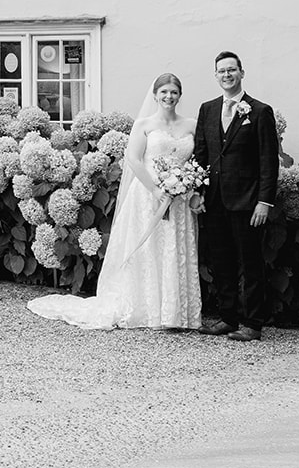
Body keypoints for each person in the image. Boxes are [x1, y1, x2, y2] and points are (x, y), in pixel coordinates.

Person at [28, 72, 201, 330]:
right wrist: (155, 190)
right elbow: (134, 159)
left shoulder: (191, 125)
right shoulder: (144, 124)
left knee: (174, 247)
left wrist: (188, 185)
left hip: (179, 197)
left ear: (180, 95)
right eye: (164, 92)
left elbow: (196, 160)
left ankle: (175, 312)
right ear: (155, 95)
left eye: (174, 92)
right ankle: (149, 309)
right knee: (149, 249)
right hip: (148, 194)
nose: (169, 96)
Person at [192, 51, 280, 342]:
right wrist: (199, 192)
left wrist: (264, 202)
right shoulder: (207, 109)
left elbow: (269, 160)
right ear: (215, 76)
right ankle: (227, 318)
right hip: (215, 200)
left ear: (242, 73)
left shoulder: (259, 111)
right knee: (221, 262)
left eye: (232, 70)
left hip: (248, 201)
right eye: (221, 71)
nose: (227, 75)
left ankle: (252, 323)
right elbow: (201, 154)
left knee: (251, 263)